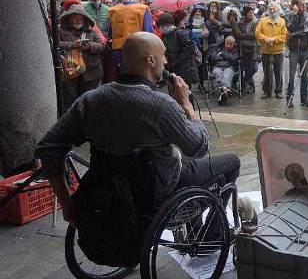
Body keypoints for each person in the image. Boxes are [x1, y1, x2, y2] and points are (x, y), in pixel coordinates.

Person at [35, 32, 240, 225]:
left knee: (183, 157)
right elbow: (198, 147)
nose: (166, 62)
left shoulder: (90, 100)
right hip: (157, 188)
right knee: (231, 162)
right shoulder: (159, 105)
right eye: (163, 56)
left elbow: (48, 147)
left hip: (109, 186)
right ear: (150, 60)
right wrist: (186, 106)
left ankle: (194, 223)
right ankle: (213, 233)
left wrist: (67, 204)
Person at [59, 4, 106, 110]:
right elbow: (55, 44)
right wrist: (71, 45)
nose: (78, 20)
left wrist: (89, 46)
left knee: (89, 101)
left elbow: (102, 46)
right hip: (70, 72)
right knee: (70, 101)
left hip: (91, 72)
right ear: (69, 19)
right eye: (75, 17)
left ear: (85, 19)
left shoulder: (91, 32)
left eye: (80, 18)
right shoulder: (61, 31)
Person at [107, 0, 153, 68]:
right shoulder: (143, 9)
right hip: (138, 49)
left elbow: (110, 33)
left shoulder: (114, 10)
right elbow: (148, 33)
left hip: (118, 49)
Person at [255, 2, 287, 99]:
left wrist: (274, 40)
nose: (272, 11)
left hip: (278, 51)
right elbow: (257, 33)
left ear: (278, 10)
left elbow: (284, 36)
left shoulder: (282, 21)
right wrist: (266, 39)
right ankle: (266, 91)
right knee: (266, 72)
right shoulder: (263, 20)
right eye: (270, 9)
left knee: (278, 71)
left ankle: (278, 91)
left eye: (274, 9)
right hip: (266, 50)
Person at [285, 0, 308, 108]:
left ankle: (304, 98)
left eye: (304, 4)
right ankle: (289, 98)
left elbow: (306, 31)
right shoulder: (288, 15)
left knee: (305, 76)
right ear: (295, 5)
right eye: (302, 4)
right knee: (291, 76)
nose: (304, 6)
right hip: (294, 50)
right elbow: (290, 28)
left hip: (305, 49)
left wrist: (294, 34)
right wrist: (295, 15)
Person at [157, 13, 196, 86]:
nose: (161, 28)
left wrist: (175, 62)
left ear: (169, 24)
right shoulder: (164, 36)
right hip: (172, 69)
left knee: (184, 91)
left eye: (162, 26)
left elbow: (188, 50)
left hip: (183, 69)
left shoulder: (180, 33)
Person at [234, 6, 259, 94]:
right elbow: (238, 34)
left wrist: (243, 35)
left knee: (254, 68)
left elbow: (255, 34)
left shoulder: (257, 22)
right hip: (243, 49)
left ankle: (244, 81)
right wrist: (246, 35)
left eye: (252, 12)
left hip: (254, 49)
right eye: (249, 12)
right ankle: (251, 86)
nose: (251, 14)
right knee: (247, 68)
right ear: (245, 14)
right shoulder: (240, 22)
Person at [210, 36, 240, 105]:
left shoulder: (235, 51)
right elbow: (213, 58)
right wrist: (226, 57)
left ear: (234, 44)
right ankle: (226, 90)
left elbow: (234, 59)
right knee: (217, 73)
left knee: (226, 74)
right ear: (225, 42)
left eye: (231, 44)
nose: (229, 45)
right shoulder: (218, 48)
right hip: (217, 67)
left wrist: (222, 55)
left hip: (229, 67)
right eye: (227, 43)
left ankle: (223, 90)